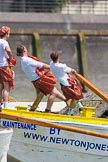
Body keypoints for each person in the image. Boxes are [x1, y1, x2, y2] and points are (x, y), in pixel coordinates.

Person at [16, 44, 67, 113]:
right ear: (24, 50)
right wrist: (54, 68)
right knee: (53, 93)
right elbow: (41, 65)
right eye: (26, 48)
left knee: (49, 92)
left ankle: (67, 101)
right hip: (40, 80)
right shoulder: (27, 60)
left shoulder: (23, 61)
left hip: (35, 81)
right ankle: (47, 110)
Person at [0, 26, 16, 110]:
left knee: (1, 86)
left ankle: (0, 105)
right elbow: (9, 51)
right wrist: (10, 58)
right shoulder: (4, 42)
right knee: (7, 87)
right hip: (4, 66)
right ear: (6, 34)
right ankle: (5, 107)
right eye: (9, 33)